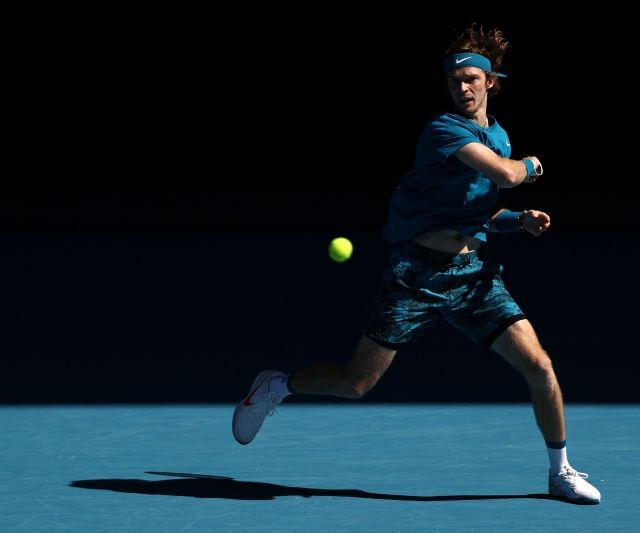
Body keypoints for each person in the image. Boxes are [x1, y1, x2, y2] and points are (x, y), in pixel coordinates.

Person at [232, 24, 601, 504]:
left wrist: (518, 222)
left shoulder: (499, 136)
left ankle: (560, 472)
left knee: (540, 365)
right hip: (415, 276)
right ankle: (277, 385)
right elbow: (509, 175)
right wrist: (530, 166)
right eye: (454, 81)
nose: (462, 88)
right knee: (356, 384)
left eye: (471, 79)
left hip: (473, 278)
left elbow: (481, 209)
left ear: (491, 82)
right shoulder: (443, 130)